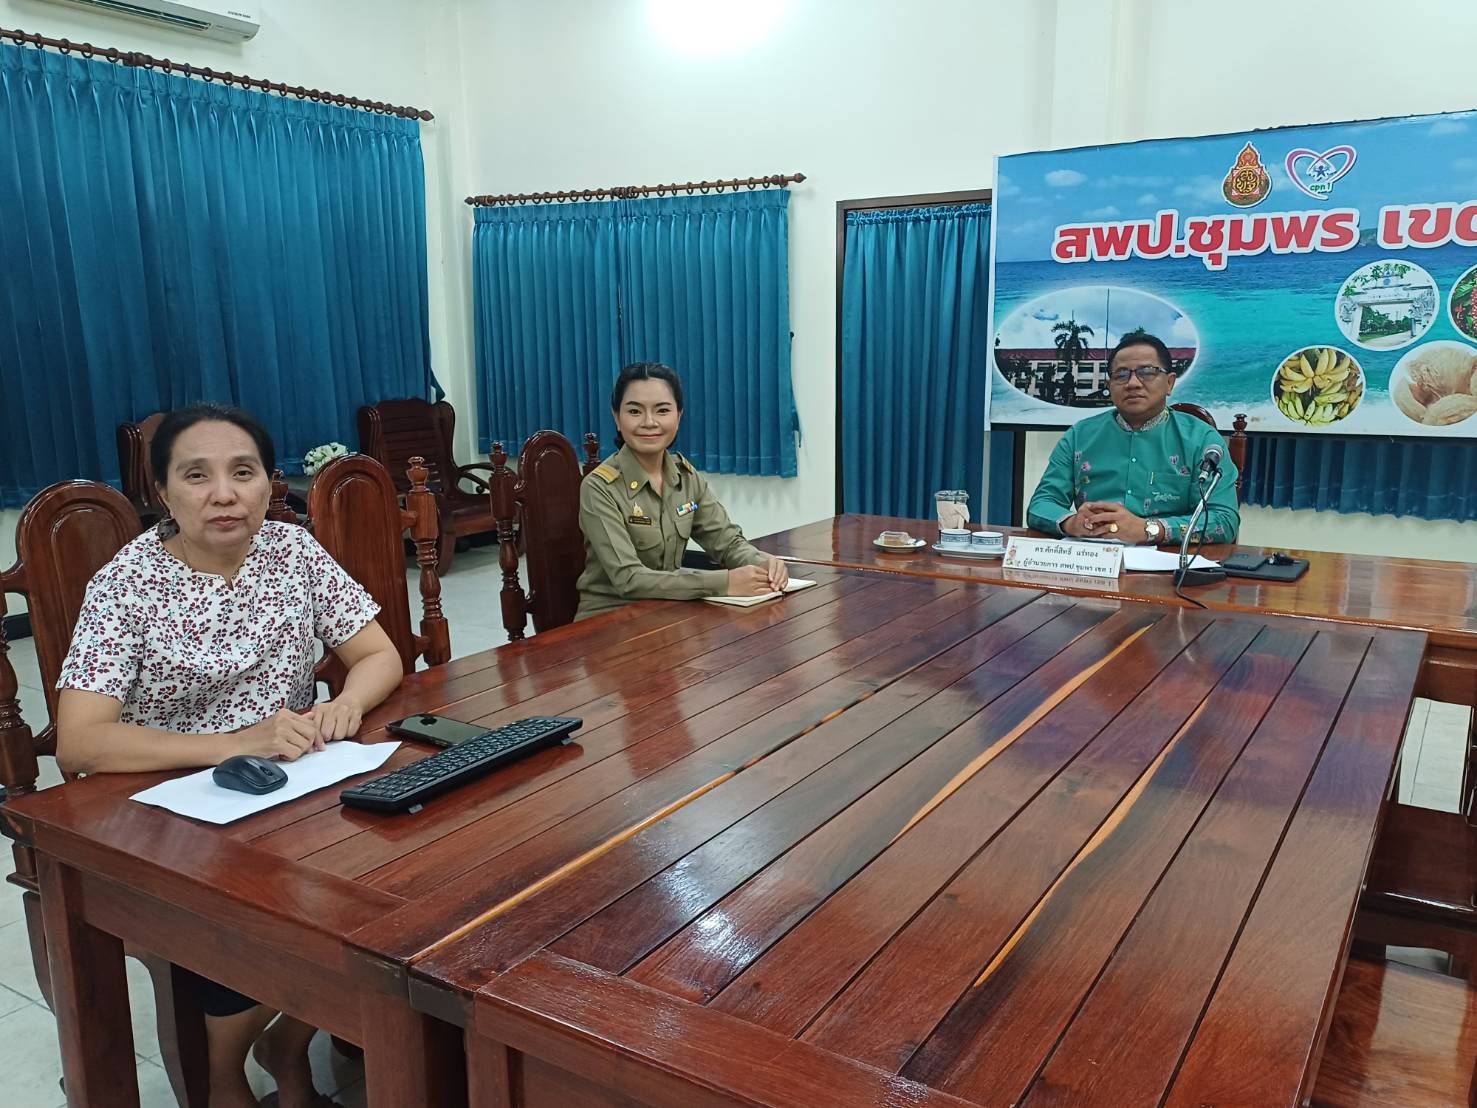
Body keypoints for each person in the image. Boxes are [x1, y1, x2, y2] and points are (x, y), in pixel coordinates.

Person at [56, 403, 405, 1108]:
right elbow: (81, 740)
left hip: (294, 786)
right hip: (172, 806)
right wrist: (234, 744)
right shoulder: (127, 584)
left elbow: (378, 654)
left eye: (243, 473)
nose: (224, 494)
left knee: (397, 891)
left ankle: (291, 1044)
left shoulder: (292, 550)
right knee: (261, 918)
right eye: (197, 476)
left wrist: (345, 704)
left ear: (269, 483)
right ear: (162, 492)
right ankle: (223, 1079)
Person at [576, 362, 788, 619]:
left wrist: (762, 563)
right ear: (617, 418)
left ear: (678, 416)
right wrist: (725, 582)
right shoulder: (599, 487)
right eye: (634, 411)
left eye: (662, 410)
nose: (649, 422)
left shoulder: (685, 477)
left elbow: (727, 543)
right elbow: (629, 578)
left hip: (665, 613)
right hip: (607, 621)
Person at [1026, 333, 1239, 545]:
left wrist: (1150, 529)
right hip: (1093, 555)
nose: (1133, 383)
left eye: (1147, 372)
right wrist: (1071, 523)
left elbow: (1224, 520)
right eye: (1121, 375)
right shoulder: (1079, 435)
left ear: (1169, 383)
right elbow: (1041, 504)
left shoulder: (1202, 440)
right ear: (1109, 385)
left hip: (1167, 559)